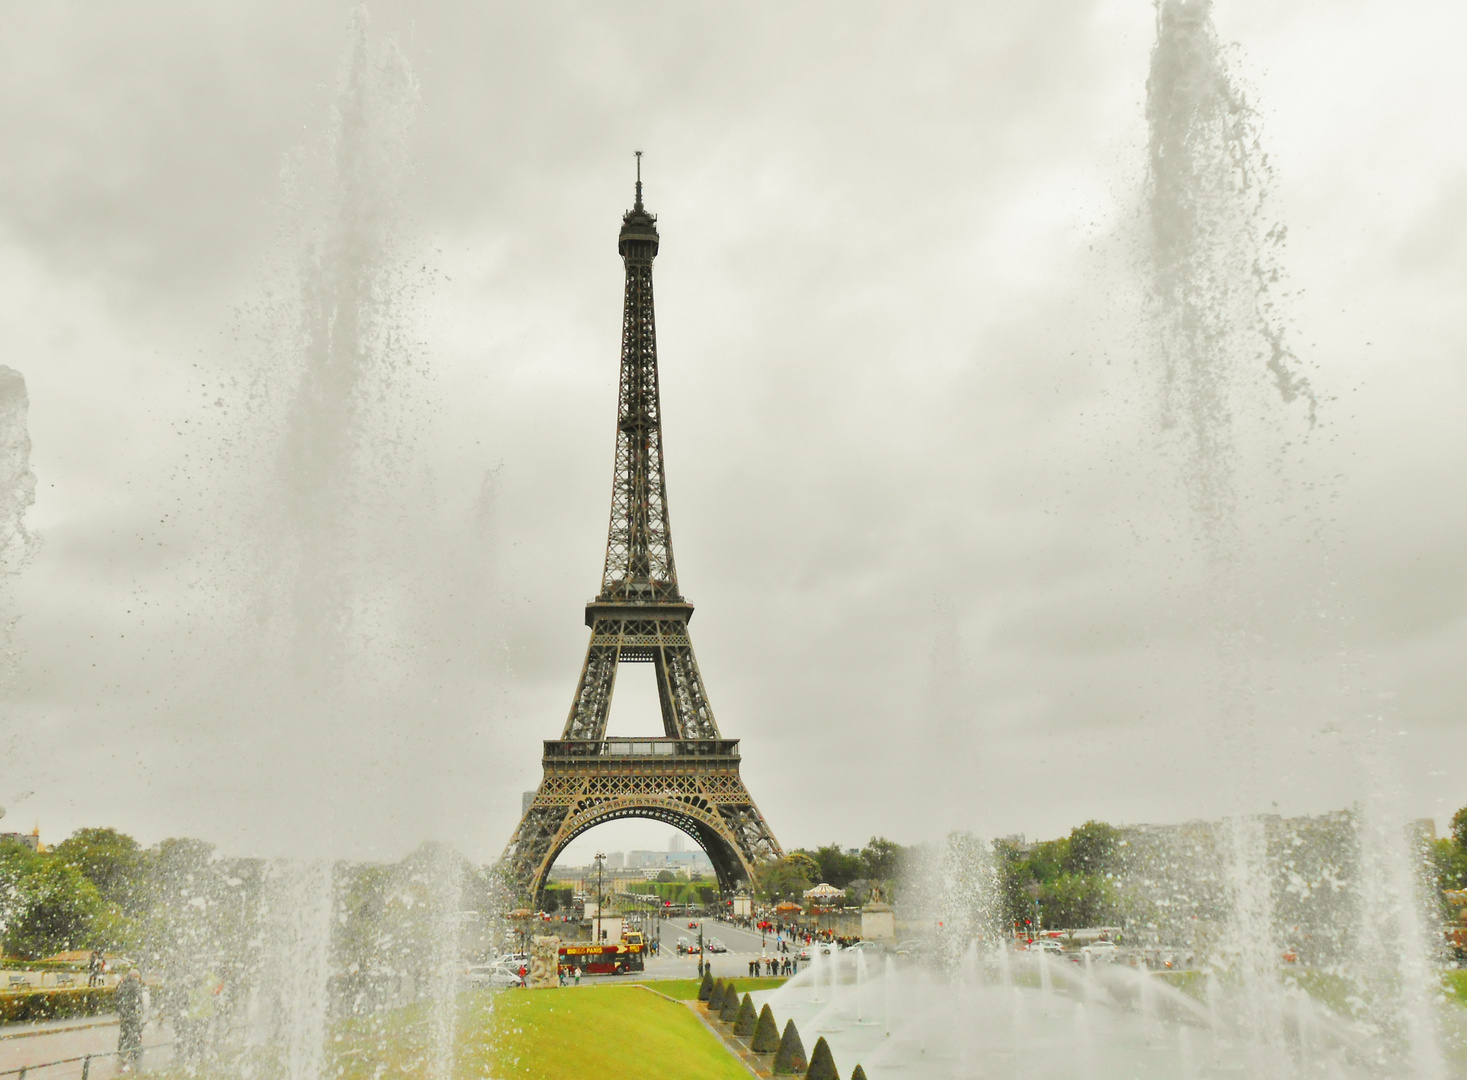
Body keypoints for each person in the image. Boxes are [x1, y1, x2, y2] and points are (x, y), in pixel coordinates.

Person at [115, 969, 145, 1072]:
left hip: (124, 1015)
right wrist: (140, 1011)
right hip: (132, 1014)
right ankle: (134, 1053)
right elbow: (139, 1000)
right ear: (136, 977)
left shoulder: (122, 984)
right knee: (135, 1033)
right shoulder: (135, 985)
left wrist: (121, 1011)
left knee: (124, 1033)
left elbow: (116, 998)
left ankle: (121, 1052)